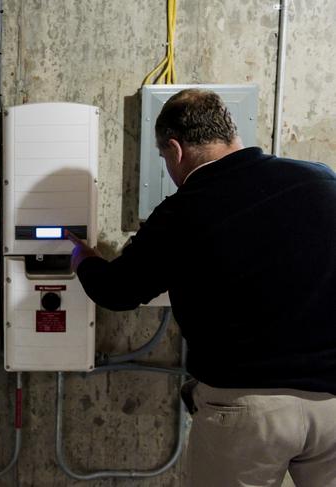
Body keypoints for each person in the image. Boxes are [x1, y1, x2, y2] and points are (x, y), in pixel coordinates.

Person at [68, 88, 336, 487]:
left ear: (174, 149)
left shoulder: (184, 210)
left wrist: (82, 256)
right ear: (232, 132)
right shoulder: (322, 180)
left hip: (247, 410)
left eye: (163, 158)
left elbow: (118, 292)